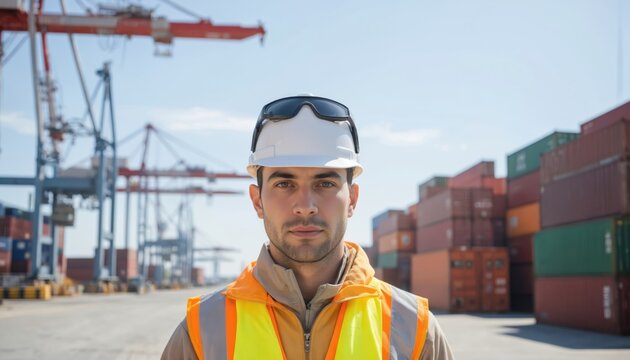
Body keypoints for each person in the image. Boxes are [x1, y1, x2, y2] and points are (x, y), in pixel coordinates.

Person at [161, 95, 454, 359]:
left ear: (352, 199)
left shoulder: (416, 331)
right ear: (257, 201)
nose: (305, 205)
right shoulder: (201, 332)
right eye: (284, 183)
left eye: (325, 183)